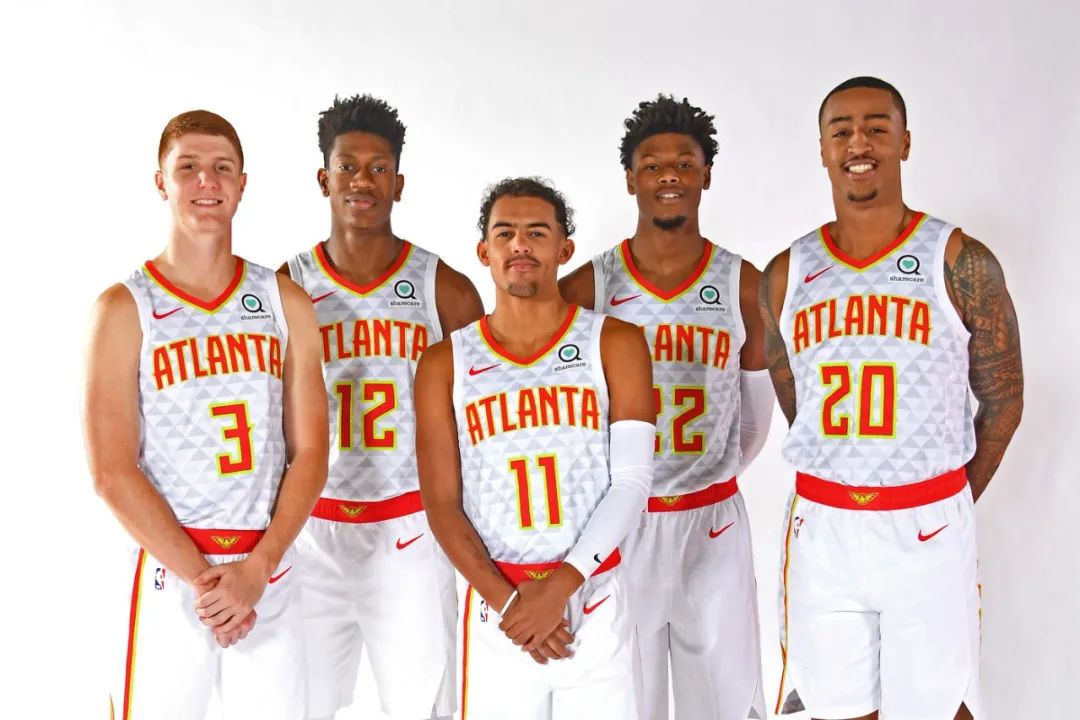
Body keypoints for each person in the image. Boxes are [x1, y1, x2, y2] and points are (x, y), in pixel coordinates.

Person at [760, 76, 1023, 720]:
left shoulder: (960, 260)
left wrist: (949, 499)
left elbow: (1005, 399)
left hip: (928, 519)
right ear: (823, 149)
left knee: (942, 707)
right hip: (823, 527)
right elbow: (796, 397)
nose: (859, 143)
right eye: (842, 131)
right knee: (833, 709)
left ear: (905, 142)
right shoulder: (787, 272)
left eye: (877, 128)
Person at [83, 110, 328, 719]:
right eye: (187, 167)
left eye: (221, 168)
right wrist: (205, 582)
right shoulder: (124, 308)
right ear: (160, 182)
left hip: (267, 569)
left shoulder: (284, 301)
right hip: (169, 572)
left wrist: (257, 570)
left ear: (242, 183)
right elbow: (112, 472)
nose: (205, 181)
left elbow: (312, 452)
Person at [560, 94, 773, 720]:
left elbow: (754, 420)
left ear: (706, 174)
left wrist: (711, 476)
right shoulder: (590, 287)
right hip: (623, 525)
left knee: (727, 702)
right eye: (652, 165)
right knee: (626, 701)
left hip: (713, 522)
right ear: (631, 179)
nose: (669, 176)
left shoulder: (742, 282)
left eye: (684, 162)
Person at [415, 177, 656, 719]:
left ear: (564, 250)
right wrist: (510, 602)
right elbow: (441, 503)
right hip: (499, 609)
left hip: (594, 596)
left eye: (537, 232)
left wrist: (562, 586)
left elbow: (633, 481)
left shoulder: (615, 342)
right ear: (484, 252)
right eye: (505, 233)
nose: (520, 245)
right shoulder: (445, 362)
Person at [280, 94, 483, 720]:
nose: (362, 181)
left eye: (377, 168)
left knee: (425, 707)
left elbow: (483, 424)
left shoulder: (444, 289)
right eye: (347, 166)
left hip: (410, 530)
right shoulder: (286, 286)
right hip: (312, 530)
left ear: (398, 183)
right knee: (298, 705)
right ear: (324, 179)